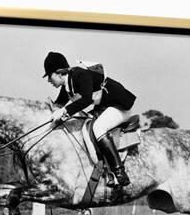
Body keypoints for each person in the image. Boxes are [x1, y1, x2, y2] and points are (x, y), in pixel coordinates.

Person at [43, 51, 136, 187]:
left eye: (50, 76)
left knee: (98, 127)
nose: (49, 81)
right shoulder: (68, 84)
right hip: (104, 107)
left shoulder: (80, 74)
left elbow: (86, 100)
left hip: (119, 106)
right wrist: (55, 109)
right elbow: (60, 103)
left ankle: (119, 172)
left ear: (60, 73)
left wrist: (64, 111)